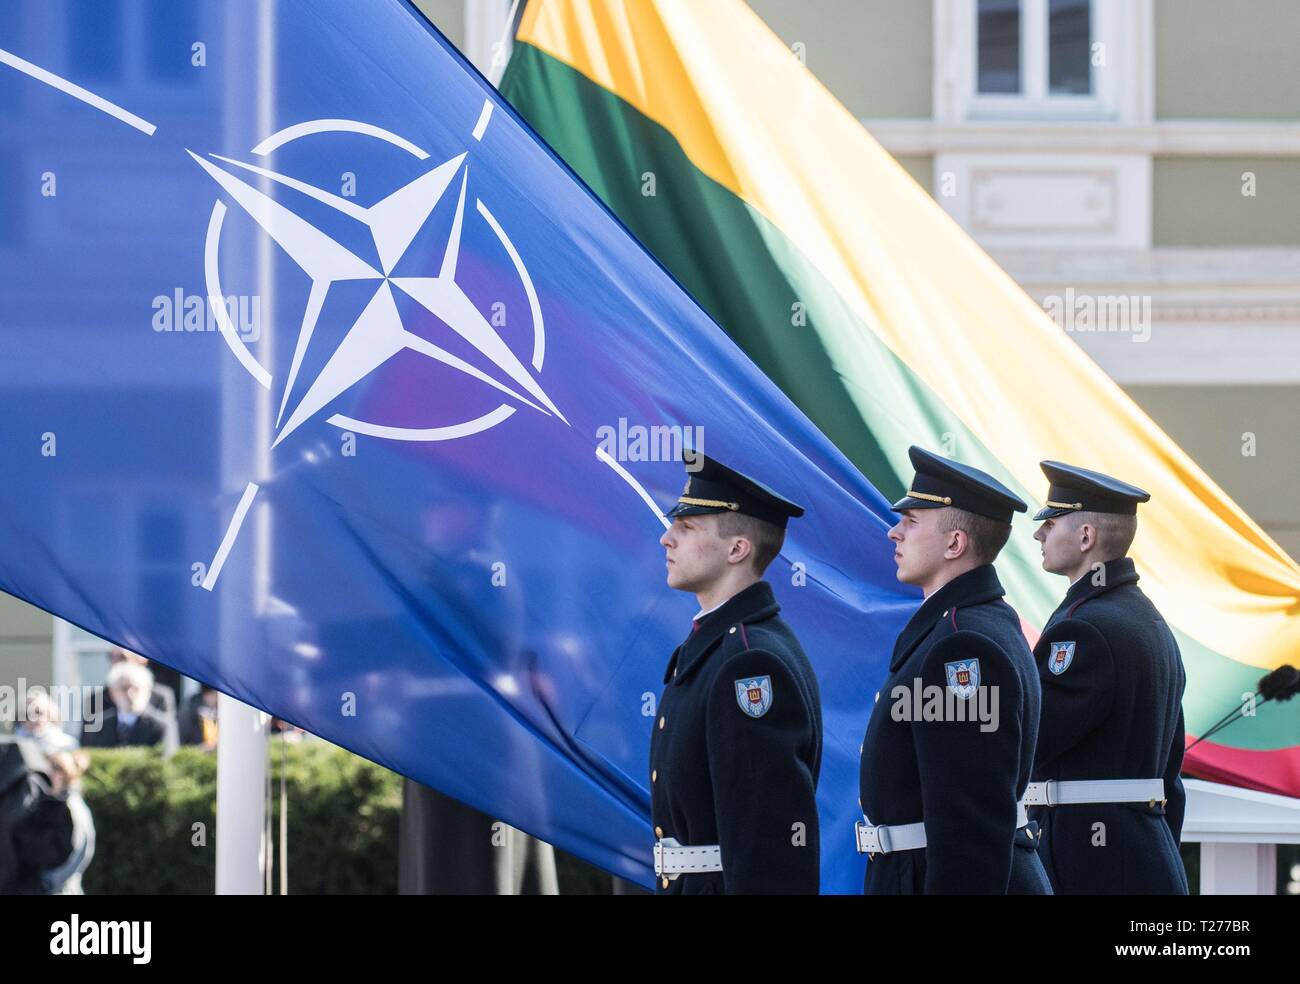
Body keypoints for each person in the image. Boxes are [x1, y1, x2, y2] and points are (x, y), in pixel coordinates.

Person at [858, 446, 1051, 894]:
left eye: (911, 521)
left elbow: (971, 825)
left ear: (954, 543)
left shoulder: (964, 648)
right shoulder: (965, 627)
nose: (894, 533)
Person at [650, 452, 821, 893]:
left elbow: (770, 841)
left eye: (686, 528)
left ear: (737, 548)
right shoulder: (720, 647)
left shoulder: (750, 663)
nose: (667, 539)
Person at [1028, 460, 1188, 894]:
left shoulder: (1085, 628)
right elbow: (1171, 776)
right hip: (1141, 854)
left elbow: (1032, 744)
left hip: (1089, 862)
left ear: (1085, 536)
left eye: (1051, 521)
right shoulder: (1148, 621)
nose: (1039, 533)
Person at [81, 662, 167, 748]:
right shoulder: (99, 726)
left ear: (148, 691)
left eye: (136, 688)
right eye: (123, 688)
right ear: (112, 692)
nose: (130, 694)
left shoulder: (160, 726)